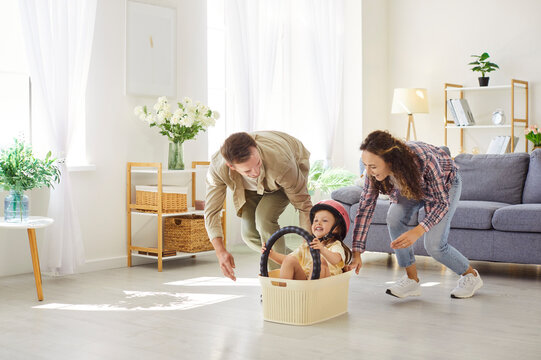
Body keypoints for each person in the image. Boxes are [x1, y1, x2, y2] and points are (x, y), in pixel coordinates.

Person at [349, 130, 483, 299]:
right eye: (365, 165)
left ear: (390, 161)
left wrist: (417, 231)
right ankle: (412, 280)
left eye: (373, 166)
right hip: (410, 186)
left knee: (434, 245)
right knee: (394, 218)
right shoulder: (372, 171)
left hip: (446, 186)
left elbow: (441, 203)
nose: (367, 172)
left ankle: (471, 276)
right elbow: (365, 207)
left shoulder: (424, 159)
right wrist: (357, 252)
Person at [205, 131, 312, 281]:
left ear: (256, 148)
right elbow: (211, 212)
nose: (255, 172)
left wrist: (310, 251)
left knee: (264, 219)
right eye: (247, 170)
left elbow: (304, 206)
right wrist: (220, 251)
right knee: (249, 235)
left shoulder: (281, 163)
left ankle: (281, 281)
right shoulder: (218, 168)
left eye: (258, 163)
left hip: (286, 169)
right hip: (250, 188)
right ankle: (293, 261)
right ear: (231, 166)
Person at [263, 200, 352, 280]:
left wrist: (322, 249)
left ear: (336, 228)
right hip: (305, 282)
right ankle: (282, 292)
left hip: (325, 285)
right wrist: (271, 254)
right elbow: (287, 260)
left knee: (320, 261)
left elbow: (336, 259)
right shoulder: (307, 246)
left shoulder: (335, 245)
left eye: (324, 220)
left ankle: (310, 294)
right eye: (315, 220)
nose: (318, 223)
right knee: (290, 259)